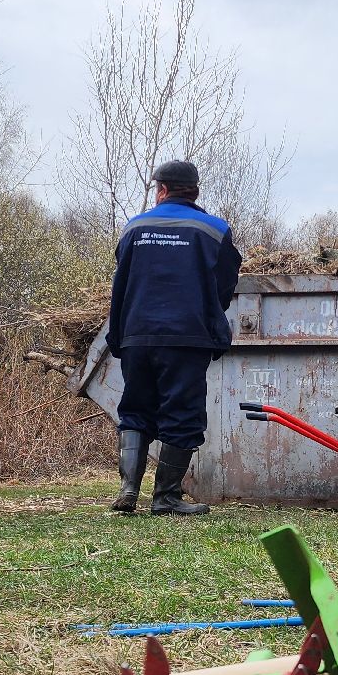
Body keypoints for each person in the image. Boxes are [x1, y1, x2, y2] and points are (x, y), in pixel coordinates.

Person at [105, 159, 242, 515]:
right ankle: (165, 497)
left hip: (137, 334)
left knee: (135, 408)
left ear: (162, 189)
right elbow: (226, 282)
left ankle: (128, 491)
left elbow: (121, 283)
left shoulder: (135, 227)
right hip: (186, 337)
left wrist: (119, 334)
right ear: (194, 191)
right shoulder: (214, 229)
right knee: (181, 414)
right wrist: (208, 315)